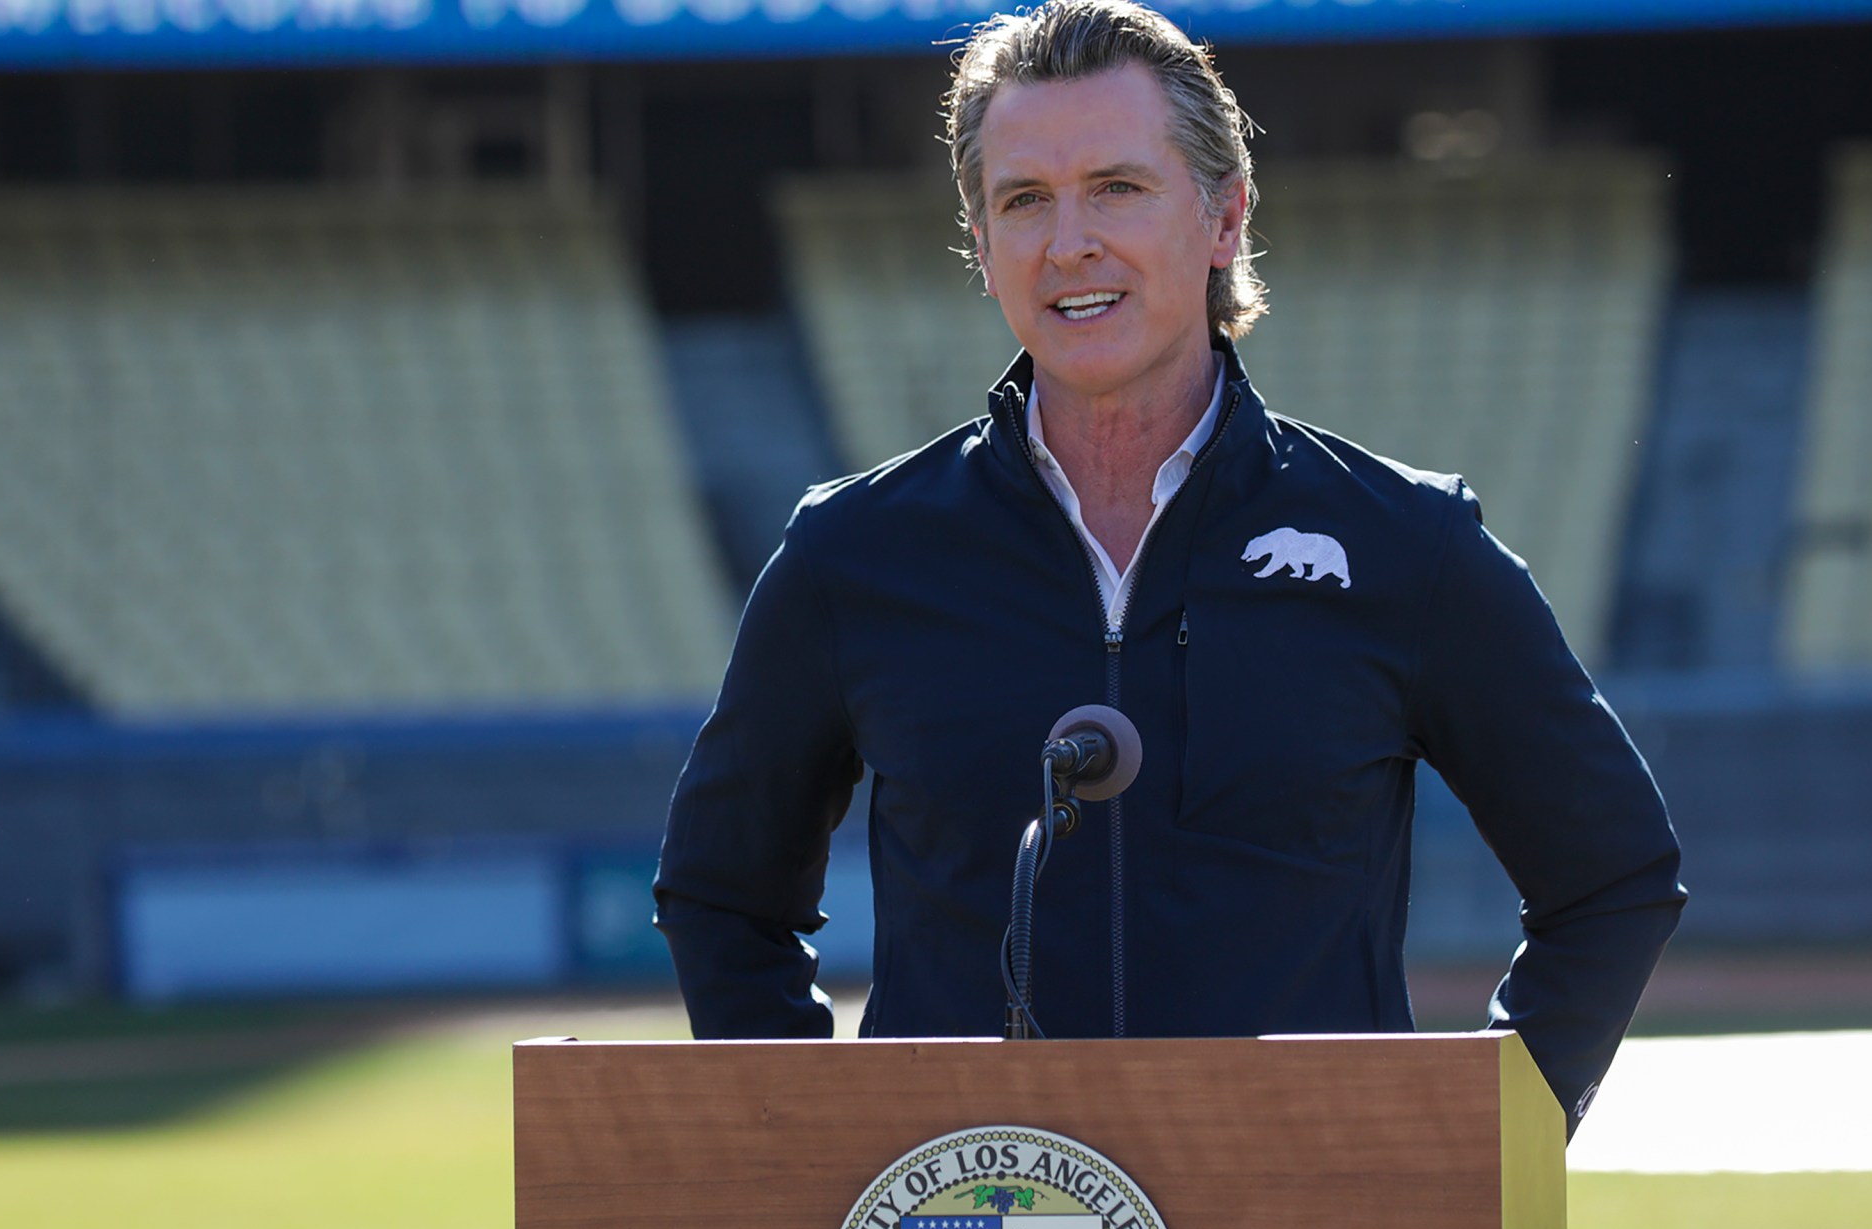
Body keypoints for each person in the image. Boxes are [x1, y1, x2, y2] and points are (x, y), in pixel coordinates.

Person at [655, 0, 1684, 1135]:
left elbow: (1613, 874)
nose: (1068, 241)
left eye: (1117, 187)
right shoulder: (852, 553)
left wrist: (1485, 1147)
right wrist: (816, 1152)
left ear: (1224, 217)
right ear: (982, 245)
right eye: (1024, 200)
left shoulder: (1407, 545)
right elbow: (721, 895)